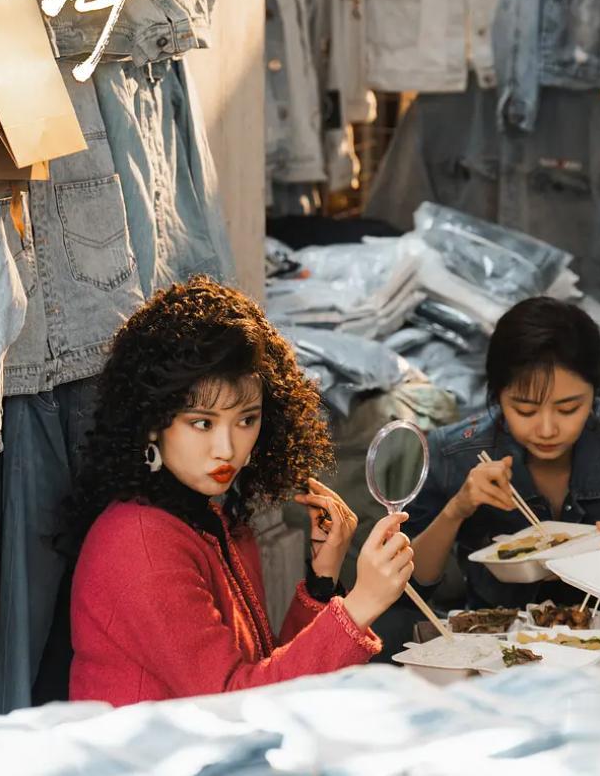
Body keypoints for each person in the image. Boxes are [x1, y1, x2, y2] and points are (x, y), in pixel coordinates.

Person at [67, 277, 414, 706]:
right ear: (152, 421)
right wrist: (361, 604)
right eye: (202, 423)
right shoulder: (138, 544)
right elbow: (237, 704)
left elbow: (266, 674)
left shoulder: (213, 519)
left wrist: (323, 583)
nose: (227, 448)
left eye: (247, 420)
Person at [407, 297, 600, 610]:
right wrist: (457, 509)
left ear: (595, 394)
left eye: (568, 409)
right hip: (496, 633)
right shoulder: (456, 453)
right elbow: (411, 584)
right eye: (525, 410)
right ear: (497, 396)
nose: (546, 429)